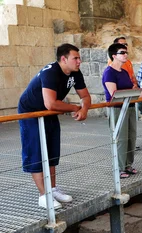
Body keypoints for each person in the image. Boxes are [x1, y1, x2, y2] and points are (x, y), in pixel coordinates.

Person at [18, 43, 91, 209]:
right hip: (31, 112)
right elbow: (50, 103)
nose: (79, 61)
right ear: (64, 59)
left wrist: (84, 108)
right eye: (76, 58)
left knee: (51, 150)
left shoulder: (75, 73)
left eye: (79, 58)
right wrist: (74, 107)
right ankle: (43, 195)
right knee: (36, 151)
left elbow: (85, 96)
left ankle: (52, 189)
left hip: (49, 112)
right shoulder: (50, 72)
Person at [102, 43, 142, 179]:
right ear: (114, 56)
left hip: (130, 106)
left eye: (126, 52)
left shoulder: (124, 72)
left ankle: (128, 164)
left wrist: (138, 92)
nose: (125, 55)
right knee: (120, 138)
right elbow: (114, 94)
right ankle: (119, 167)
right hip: (117, 108)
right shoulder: (109, 72)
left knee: (131, 137)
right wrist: (137, 94)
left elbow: (129, 88)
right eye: (122, 52)